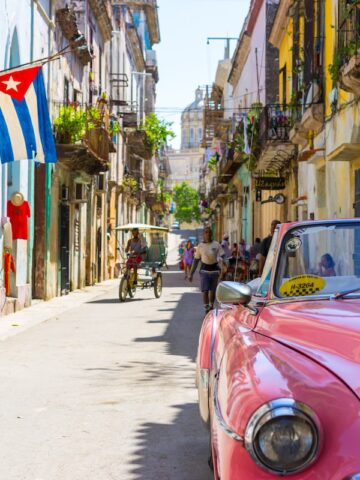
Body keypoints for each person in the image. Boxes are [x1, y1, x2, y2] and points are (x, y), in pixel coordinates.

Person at [189, 226, 226, 313]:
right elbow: (196, 260)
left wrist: (225, 264)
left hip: (214, 270)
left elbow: (223, 256)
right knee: (205, 289)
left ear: (211, 234)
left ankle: (211, 305)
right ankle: (206, 307)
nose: (208, 234)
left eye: (209, 232)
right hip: (204, 270)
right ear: (203, 234)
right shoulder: (200, 246)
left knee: (212, 290)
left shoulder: (216, 244)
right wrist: (191, 273)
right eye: (206, 232)